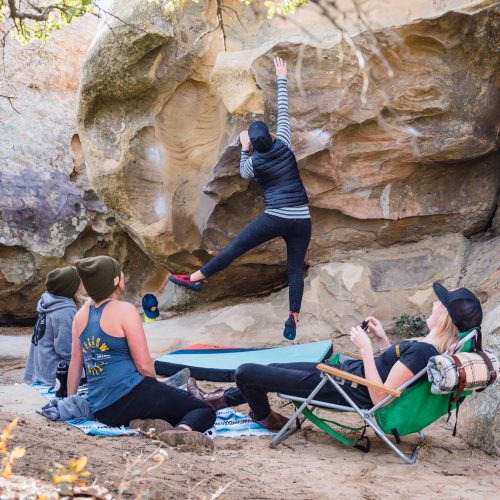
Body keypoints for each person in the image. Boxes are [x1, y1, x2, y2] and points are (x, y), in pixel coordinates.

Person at [186, 282, 483, 430]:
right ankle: (217, 400)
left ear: (444, 316)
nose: (434, 303)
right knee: (273, 366)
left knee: (247, 371)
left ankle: (266, 418)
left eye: (439, 303)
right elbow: (394, 378)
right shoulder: (425, 349)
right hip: (341, 376)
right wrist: (381, 342)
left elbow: (381, 395)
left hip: (341, 387)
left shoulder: (422, 353)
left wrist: (365, 349)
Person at [168, 57, 311, 341]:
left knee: (235, 248)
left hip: (277, 217)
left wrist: (245, 148)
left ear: (254, 146)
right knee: (294, 268)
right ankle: (293, 315)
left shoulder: (254, 164)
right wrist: (281, 78)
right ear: (270, 137)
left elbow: (244, 173)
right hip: (302, 218)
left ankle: (197, 278)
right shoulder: (283, 141)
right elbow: (284, 111)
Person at [67, 256, 215, 447]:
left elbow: (76, 362)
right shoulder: (124, 310)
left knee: (160, 401)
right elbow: (144, 365)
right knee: (203, 410)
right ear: (115, 280)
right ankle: (179, 432)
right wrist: (159, 387)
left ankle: (144, 424)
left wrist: (72, 400)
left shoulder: (79, 316)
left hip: (103, 411)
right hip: (131, 394)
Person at [24, 266, 86, 386]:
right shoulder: (65, 310)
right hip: (55, 378)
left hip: (41, 372)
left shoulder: (49, 302)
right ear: (70, 287)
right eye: (80, 282)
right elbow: (68, 350)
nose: (83, 284)